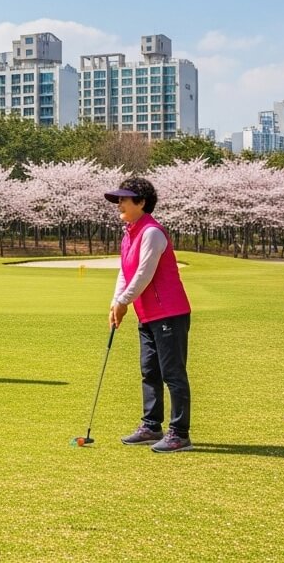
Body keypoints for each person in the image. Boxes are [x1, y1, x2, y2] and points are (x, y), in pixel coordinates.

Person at [105, 177, 195, 453]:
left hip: (169, 312)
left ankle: (179, 433)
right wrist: (116, 302)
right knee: (149, 371)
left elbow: (144, 273)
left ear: (142, 202)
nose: (119, 204)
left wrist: (124, 302)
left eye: (124, 199)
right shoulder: (129, 233)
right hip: (147, 314)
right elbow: (126, 272)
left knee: (172, 374)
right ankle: (151, 426)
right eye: (119, 199)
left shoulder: (152, 232)